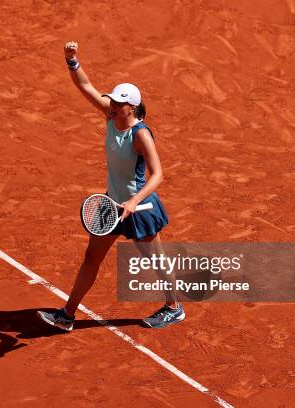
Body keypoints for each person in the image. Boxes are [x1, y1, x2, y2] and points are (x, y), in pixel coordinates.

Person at [37, 41, 184, 331]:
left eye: (119, 102)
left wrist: (133, 202)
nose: (113, 104)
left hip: (139, 208)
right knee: (91, 257)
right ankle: (67, 314)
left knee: (155, 259)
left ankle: (174, 307)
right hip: (112, 205)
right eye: (114, 101)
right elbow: (87, 87)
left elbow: (158, 174)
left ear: (133, 107)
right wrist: (72, 60)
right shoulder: (111, 116)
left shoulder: (140, 135)